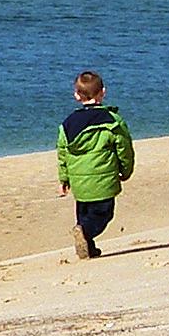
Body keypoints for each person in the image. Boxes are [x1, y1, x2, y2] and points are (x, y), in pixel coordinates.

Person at [57, 70, 136, 258]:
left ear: (77, 95)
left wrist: (64, 178)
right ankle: (85, 233)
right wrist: (125, 170)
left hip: (80, 183)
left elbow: (62, 153)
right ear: (103, 92)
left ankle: (88, 247)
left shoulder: (68, 124)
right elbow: (124, 149)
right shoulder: (113, 122)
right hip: (103, 182)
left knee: (84, 215)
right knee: (102, 215)